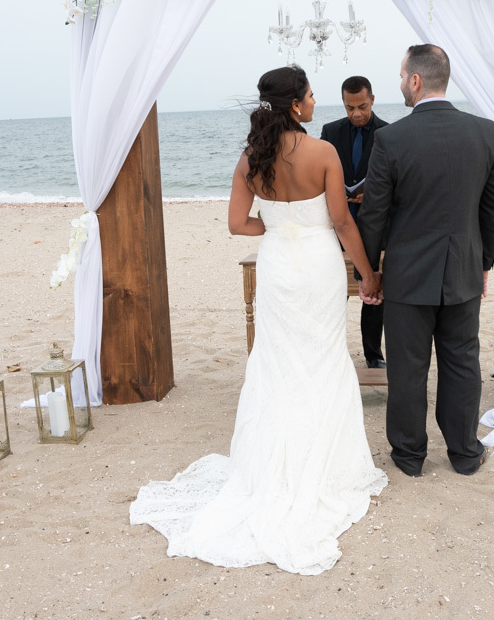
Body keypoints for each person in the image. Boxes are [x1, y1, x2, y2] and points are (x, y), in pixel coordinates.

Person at [129, 65, 387, 576]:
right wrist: (368, 274)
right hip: (317, 267)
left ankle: (271, 467)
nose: (316, 104)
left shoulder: (252, 159)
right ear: (295, 104)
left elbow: (235, 224)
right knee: (322, 358)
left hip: (277, 269)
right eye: (312, 96)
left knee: (277, 362)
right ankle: (327, 467)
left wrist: (275, 226)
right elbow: (340, 221)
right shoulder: (324, 153)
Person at [357, 44, 494, 478]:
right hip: (462, 270)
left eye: (402, 76)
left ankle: (409, 457)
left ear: (416, 80)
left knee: (407, 367)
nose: (401, 83)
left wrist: (369, 273)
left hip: (407, 276)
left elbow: (374, 214)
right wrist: (483, 263)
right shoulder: (484, 132)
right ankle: (463, 453)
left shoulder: (391, 139)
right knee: (463, 361)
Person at [320, 76, 389, 369]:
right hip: (337, 225)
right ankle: (331, 354)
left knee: (374, 293)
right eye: (350, 108)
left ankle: (373, 355)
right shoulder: (330, 131)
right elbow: (320, 175)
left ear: (372, 99)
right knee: (334, 291)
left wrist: (372, 195)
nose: (356, 113)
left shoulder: (389, 133)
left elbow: (395, 181)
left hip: (375, 227)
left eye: (361, 106)